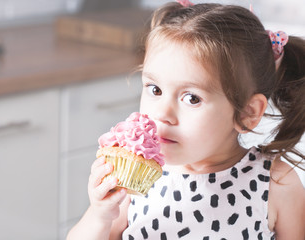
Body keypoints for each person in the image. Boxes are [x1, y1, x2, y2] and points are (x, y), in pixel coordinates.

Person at [67, 1, 305, 239]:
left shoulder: (275, 183)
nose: (163, 114)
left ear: (247, 112)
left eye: (191, 98)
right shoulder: (133, 178)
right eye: (155, 90)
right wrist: (100, 215)